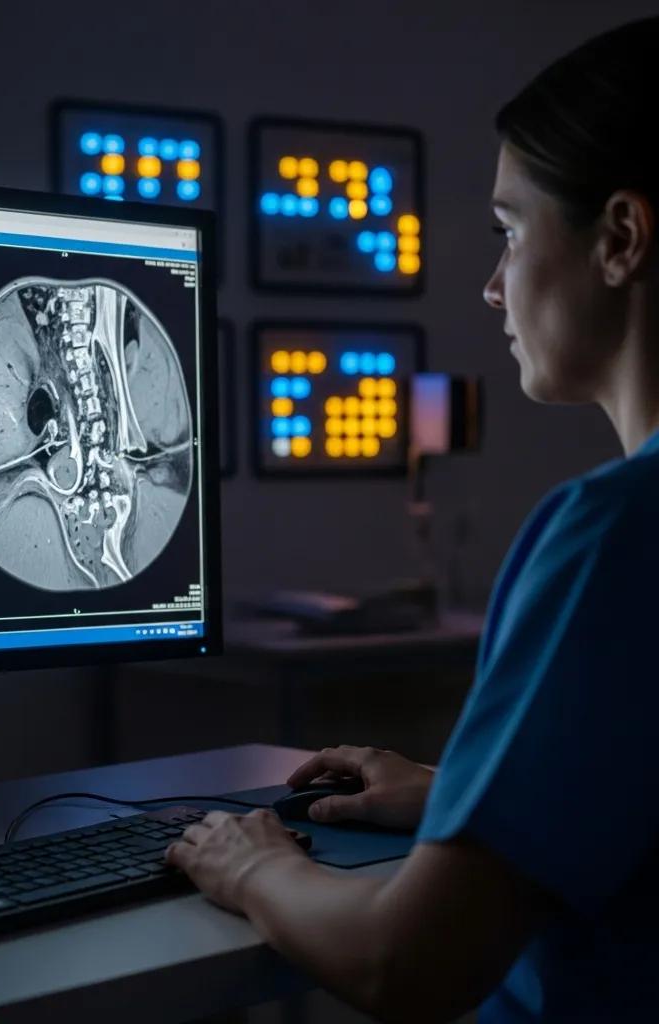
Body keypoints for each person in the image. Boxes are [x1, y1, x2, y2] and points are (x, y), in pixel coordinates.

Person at [166, 16, 659, 1023]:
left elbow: (406, 964)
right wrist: (461, 799)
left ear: (618, 238)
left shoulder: (612, 536)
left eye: (509, 231)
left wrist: (252, 862)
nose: (490, 284)